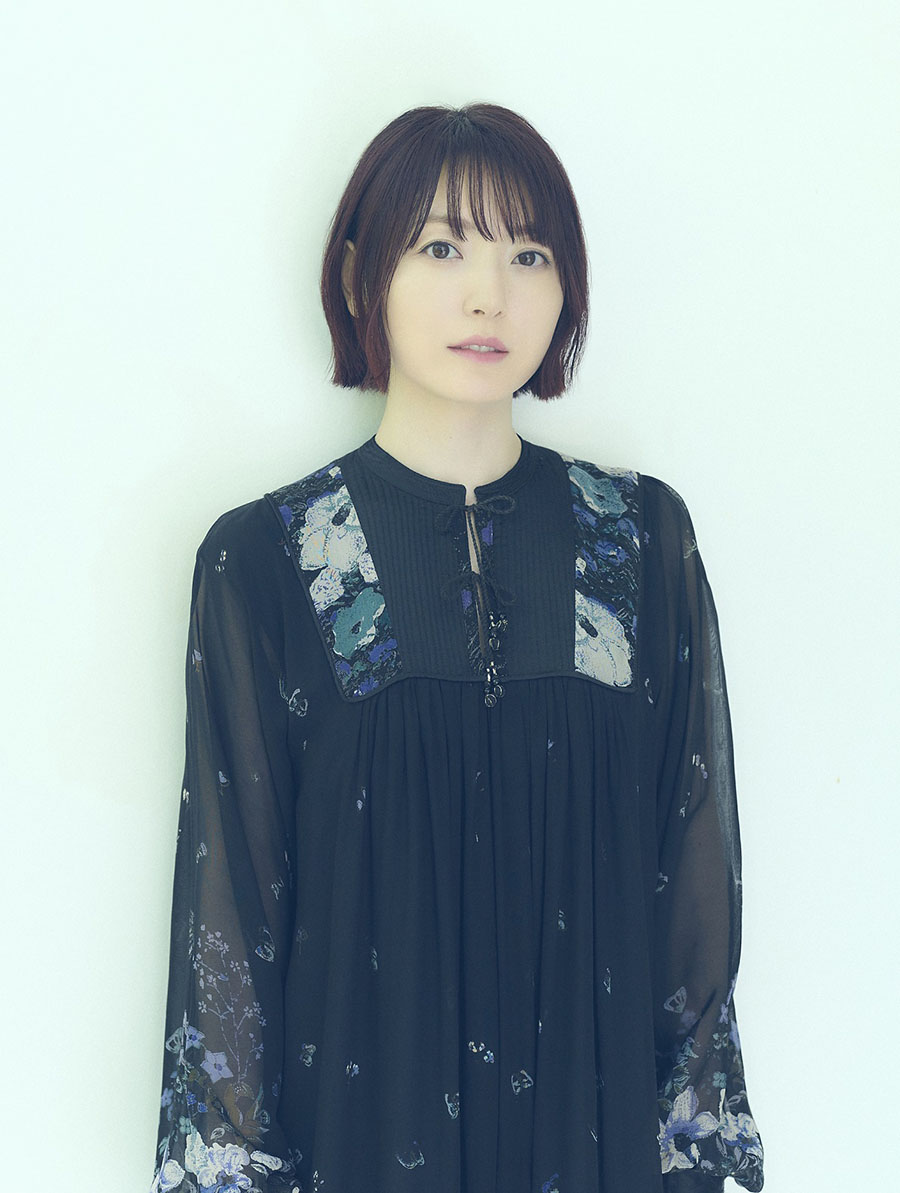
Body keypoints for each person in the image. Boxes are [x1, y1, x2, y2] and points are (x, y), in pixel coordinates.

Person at [148, 103, 765, 1193]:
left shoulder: (637, 539)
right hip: (359, 1148)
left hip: (597, 1148)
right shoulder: (268, 559)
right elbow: (232, 922)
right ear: (361, 276)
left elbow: (690, 890)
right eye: (442, 248)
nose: (489, 295)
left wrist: (696, 1160)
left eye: (529, 254)